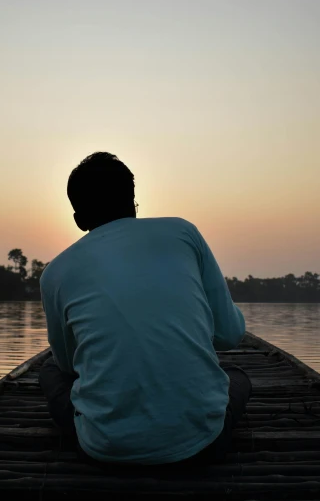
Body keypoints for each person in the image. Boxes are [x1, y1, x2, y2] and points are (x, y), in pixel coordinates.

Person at [39, 152, 250, 466]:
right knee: (236, 378)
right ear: (133, 203)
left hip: (104, 450)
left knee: (49, 369)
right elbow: (229, 335)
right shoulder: (183, 233)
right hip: (205, 444)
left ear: (79, 219)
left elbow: (69, 367)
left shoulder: (54, 272)